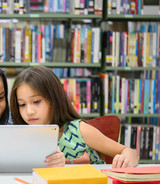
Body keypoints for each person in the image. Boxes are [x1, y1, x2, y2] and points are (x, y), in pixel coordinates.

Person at [10, 66, 139, 168]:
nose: (29, 111)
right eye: (22, 104)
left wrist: (127, 158)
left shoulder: (79, 130)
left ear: (54, 99)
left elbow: (129, 152)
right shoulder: (23, 136)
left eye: (36, 102)